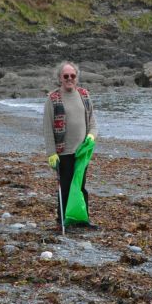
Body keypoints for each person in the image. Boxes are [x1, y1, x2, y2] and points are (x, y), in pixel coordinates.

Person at [43, 60, 98, 228]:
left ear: (77, 78)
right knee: (65, 188)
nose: (69, 79)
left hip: (82, 153)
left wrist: (91, 136)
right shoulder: (52, 99)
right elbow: (47, 129)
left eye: (72, 76)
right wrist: (51, 153)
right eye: (65, 76)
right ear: (60, 77)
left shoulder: (84, 95)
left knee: (81, 187)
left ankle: (82, 219)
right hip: (63, 153)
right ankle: (63, 220)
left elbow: (93, 124)